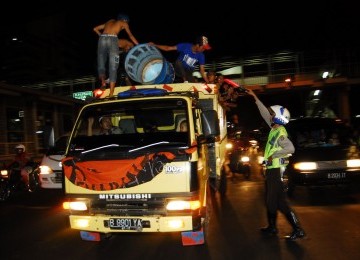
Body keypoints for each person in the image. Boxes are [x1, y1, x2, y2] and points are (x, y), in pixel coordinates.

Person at [246, 88, 306, 241]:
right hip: (272, 170)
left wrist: (273, 155)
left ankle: (295, 229)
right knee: (277, 201)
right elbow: (265, 113)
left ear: (278, 118)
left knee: (274, 201)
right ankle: (275, 227)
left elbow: (290, 148)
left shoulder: (280, 133)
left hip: (277, 170)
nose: (270, 116)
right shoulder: (274, 129)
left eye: (273, 115)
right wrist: (255, 98)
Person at [93, 13, 139, 96]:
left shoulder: (109, 21)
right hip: (113, 39)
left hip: (102, 40)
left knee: (101, 63)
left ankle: (103, 82)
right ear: (125, 20)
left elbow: (95, 28)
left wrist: (101, 36)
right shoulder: (123, 23)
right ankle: (111, 92)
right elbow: (130, 35)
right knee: (113, 67)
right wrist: (139, 45)